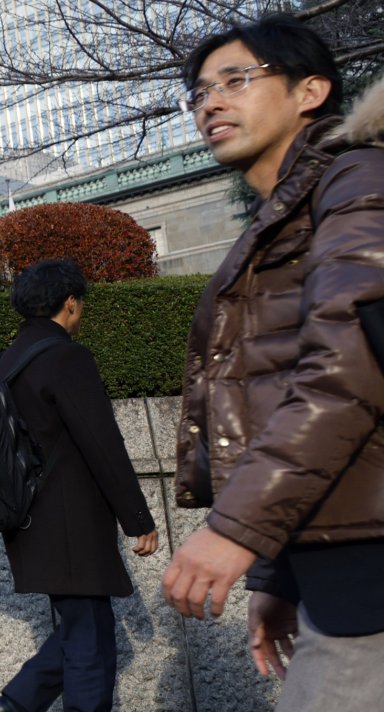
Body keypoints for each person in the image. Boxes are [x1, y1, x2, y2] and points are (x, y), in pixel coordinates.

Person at [161, 13, 384, 711]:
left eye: (236, 80)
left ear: (310, 90)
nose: (211, 103)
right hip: (336, 561)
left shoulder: (357, 180)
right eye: (199, 92)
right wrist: (279, 577)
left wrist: (235, 532)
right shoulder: (284, 215)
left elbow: (348, 368)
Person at [0, 260, 160, 712]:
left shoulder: (4, 364)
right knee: (88, 640)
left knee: (91, 629)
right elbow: (102, 443)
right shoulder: (66, 357)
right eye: (80, 304)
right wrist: (138, 519)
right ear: (69, 304)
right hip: (71, 522)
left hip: (26, 521)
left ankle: (12, 706)